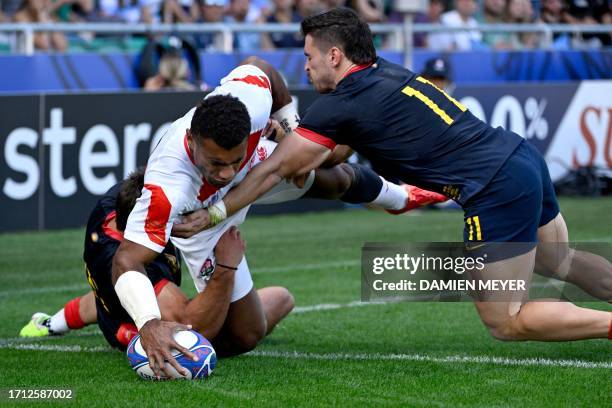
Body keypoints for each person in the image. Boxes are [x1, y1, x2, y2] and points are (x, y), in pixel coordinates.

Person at [196, 8, 612, 344]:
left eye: (309, 57)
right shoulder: (384, 71)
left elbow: (274, 169)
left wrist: (214, 213)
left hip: (494, 186)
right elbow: (332, 153)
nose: (306, 67)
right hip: (520, 156)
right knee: (559, 260)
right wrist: (292, 135)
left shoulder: (341, 103)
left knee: (507, 320)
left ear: (335, 56)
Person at [110, 57, 447, 378]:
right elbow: (126, 260)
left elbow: (263, 67)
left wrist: (290, 131)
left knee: (329, 176)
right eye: (216, 163)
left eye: (232, 160)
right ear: (191, 142)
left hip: (256, 170)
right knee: (246, 334)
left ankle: (401, 197)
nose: (226, 173)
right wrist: (149, 323)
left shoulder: (250, 100)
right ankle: (229, 311)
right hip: (198, 222)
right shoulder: (168, 186)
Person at [20, 169, 295, 353]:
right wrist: (225, 267)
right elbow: (195, 327)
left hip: (108, 302)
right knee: (272, 307)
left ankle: (48, 324)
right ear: (147, 226)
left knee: (102, 299)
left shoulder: (116, 203)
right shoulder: (133, 264)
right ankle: (57, 324)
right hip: (129, 329)